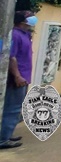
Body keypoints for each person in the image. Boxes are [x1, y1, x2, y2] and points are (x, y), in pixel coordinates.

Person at [1, 11, 37, 149]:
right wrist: (17, 75)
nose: (33, 18)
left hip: (24, 77)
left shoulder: (25, 34)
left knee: (15, 107)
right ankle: (3, 139)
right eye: (29, 16)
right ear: (22, 21)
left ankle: (6, 134)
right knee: (12, 108)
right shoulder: (14, 35)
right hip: (17, 78)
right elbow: (11, 57)